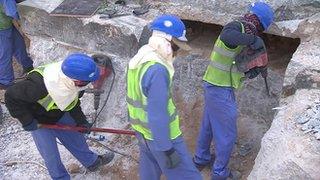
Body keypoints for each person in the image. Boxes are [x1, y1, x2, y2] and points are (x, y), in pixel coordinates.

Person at [193, 2, 274, 180]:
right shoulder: (238, 27)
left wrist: (251, 72)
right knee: (227, 134)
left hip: (215, 85)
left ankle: (200, 159)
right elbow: (227, 34)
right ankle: (220, 173)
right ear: (260, 22)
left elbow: (233, 64)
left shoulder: (244, 32)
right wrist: (253, 41)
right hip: (219, 90)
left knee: (208, 126)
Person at [5, 53, 114, 180]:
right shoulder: (38, 85)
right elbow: (10, 97)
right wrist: (27, 120)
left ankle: (92, 162)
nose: (89, 84)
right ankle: (60, 178)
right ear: (77, 80)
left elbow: (73, 102)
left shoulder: (75, 82)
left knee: (76, 138)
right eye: (88, 81)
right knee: (50, 155)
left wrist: (81, 121)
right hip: (38, 120)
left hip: (60, 113)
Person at [126, 15, 202, 180]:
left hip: (143, 133)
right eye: (176, 46)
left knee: (149, 173)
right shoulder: (158, 70)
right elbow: (157, 114)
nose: (177, 51)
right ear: (168, 41)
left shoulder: (140, 58)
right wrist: (167, 148)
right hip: (163, 138)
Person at [0, 0, 34, 89]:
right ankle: (5, 81)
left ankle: (28, 66)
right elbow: (13, 12)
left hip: (6, 24)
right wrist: (29, 18)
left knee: (19, 45)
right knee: (5, 54)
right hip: (2, 28)